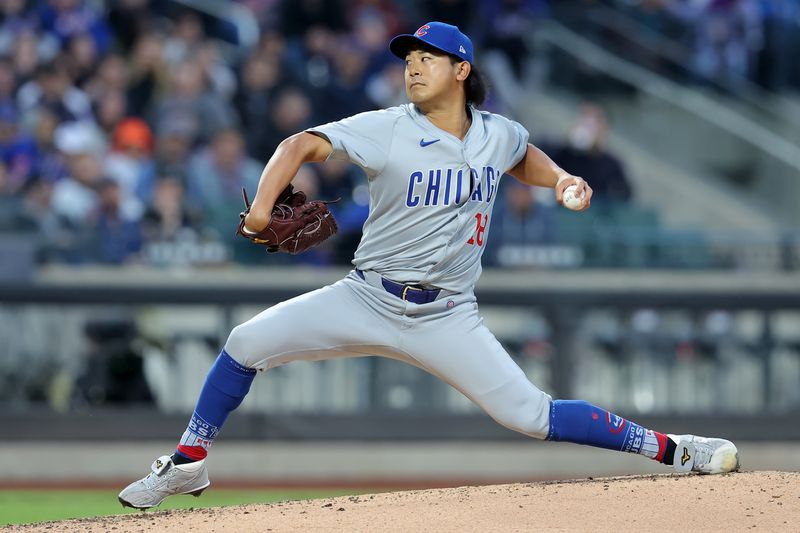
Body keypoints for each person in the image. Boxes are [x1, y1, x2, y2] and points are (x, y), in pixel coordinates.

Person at [118, 22, 739, 510]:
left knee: (531, 415)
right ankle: (189, 460)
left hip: (448, 315)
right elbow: (298, 144)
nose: (412, 66)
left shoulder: (497, 132)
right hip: (367, 297)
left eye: (427, 57)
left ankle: (675, 449)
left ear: (461, 69)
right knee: (244, 340)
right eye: (408, 58)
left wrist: (563, 180)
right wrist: (257, 211)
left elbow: (523, 155)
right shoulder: (387, 128)